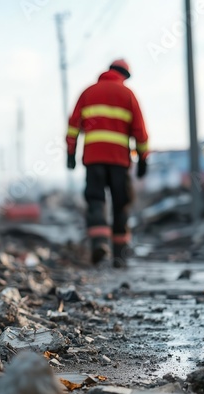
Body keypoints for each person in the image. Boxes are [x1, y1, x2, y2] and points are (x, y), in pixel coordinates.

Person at [66, 59, 149, 268]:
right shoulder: (128, 95)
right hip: (119, 160)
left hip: (94, 159)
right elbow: (140, 130)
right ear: (125, 75)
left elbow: (73, 126)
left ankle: (99, 243)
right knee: (121, 204)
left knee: (95, 199)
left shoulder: (89, 92)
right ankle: (119, 257)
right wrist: (142, 158)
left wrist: (70, 152)